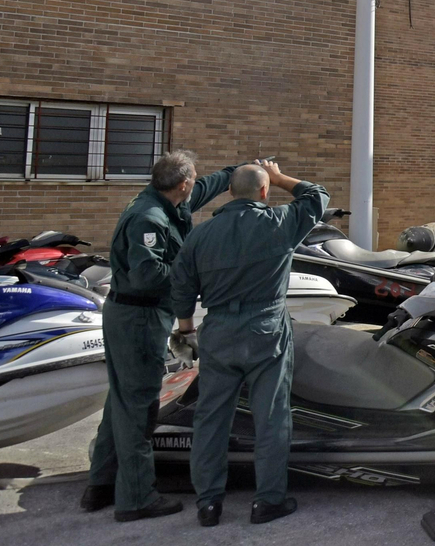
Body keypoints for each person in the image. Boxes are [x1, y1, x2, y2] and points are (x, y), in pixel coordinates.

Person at [82, 150, 240, 521]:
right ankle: (136, 498)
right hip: (137, 317)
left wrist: (242, 170)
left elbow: (208, 185)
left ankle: (100, 484)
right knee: (139, 406)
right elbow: (148, 275)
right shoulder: (148, 218)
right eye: (192, 181)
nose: (195, 187)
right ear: (182, 184)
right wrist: (192, 269)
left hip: (138, 314)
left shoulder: (169, 200)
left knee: (120, 401)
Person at [170, 161, 328, 526]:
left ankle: (208, 504)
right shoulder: (280, 223)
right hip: (266, 328)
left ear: (229, 192)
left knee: (211, 418)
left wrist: (187, 330)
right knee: (271, 417)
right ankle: (267, 501)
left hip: (219, 330)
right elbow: (317, 195)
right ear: (263, 192)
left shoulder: (200, 234)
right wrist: (279, 177)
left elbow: (181, 287)